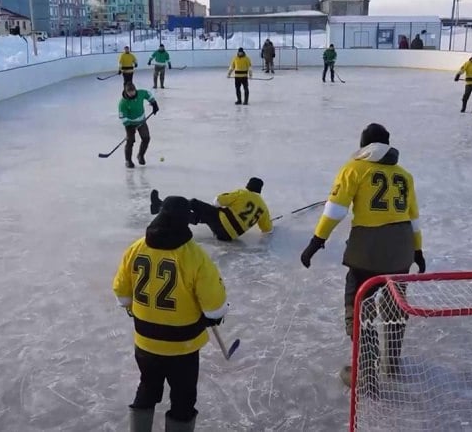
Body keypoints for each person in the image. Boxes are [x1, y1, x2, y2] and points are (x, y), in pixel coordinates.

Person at [299, 123, 425, 386]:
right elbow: (413, 218)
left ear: (363, 144)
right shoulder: (404, 175)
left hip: (368, 249)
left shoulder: (354, 168)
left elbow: (335, 209)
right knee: (394, 303)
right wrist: (417, 251)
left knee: (358, 301)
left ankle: (366, 372)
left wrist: (316, 241)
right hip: (402, 248)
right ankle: (391, 363)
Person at [113, 195, 228, 432]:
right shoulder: (195, 256)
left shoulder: (135, 249)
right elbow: (214, 308)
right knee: (183, 400)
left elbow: (122, 295)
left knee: (147, 386)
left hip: (145, 343)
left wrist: (134, 308)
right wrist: (214, 315)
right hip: (182, 348)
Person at [149, 178, 272, 242]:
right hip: (229, 237)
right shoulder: (263, 207)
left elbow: (217, 201)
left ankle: (160, 206)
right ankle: (162, 208)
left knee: (194, 204)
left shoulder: (243, 193)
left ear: (248, 185)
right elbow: (267, 230)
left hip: (220, 222)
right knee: (202, 217)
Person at [118, 82, 159, 169]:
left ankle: (140, 155)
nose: (132, 94)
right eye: (130, 92)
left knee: (146, 138)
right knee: (130, 141)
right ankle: (128, 160)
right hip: (129, 124)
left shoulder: (140, 93)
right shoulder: (123, 103)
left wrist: (154, 103)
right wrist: (129, 126)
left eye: (133, 91)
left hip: (141, 122)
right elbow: (122, 117)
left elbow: (148, 94)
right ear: (126, 92)